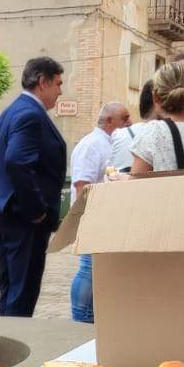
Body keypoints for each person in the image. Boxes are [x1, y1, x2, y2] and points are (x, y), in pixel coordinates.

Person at [0, 57, 68, 316]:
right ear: (42, 82)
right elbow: (16, 161)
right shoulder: (30, 115)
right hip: (23, 220)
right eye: (58, 83)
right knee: (20, 296)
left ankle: (4, 351)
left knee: (11, 292)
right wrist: (37, 210)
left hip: (7, 215)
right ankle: (11, 354)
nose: (61, 90)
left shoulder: (11, 111)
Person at [68, 102, 129, 323]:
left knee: (94, 269)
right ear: (110, 120)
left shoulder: (108, 143)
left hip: (103, 216)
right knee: (88, 268)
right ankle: (81, 315)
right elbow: (81, 185)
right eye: (125, 118)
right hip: (92, 216)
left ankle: (90, 313)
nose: (129, 122)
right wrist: (90, 219)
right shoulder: (92, 145)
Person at [110, 82, 152, 171]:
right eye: (124, 119)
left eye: (128, 118)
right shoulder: (119, 136)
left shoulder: (119, 136)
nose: (129, 122)